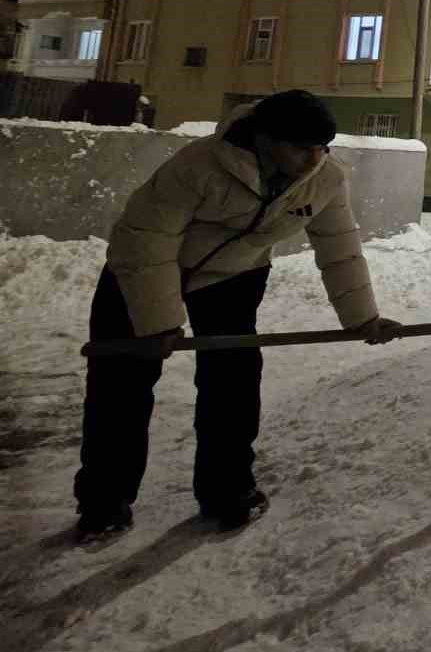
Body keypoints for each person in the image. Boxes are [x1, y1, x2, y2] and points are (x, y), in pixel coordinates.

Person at [74, 90, 403, 541]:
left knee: (232, 382)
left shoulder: (325, 179)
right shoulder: (200, 165)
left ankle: (226, 489)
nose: (314, 160)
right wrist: (159, 324)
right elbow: (146, 237)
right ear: (267, 139)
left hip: (231, 278)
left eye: (321, 147)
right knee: (121, 386)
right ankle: (104, 501)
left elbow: (340, 249)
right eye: (301, 147)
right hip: (139, 272)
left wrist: (363, 319)